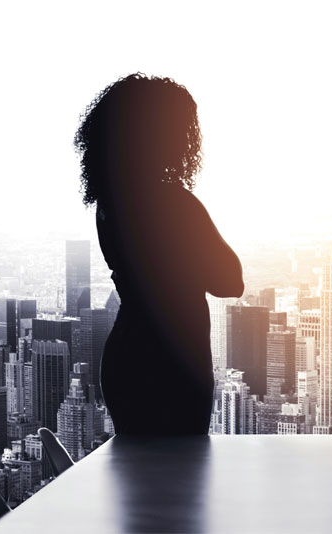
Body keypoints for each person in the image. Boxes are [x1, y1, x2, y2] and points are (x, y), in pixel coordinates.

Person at [74, 73, 244, 434]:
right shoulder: (175, 203)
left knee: (139, 478)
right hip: (175, 361)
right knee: (182, 476)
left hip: (127, 356)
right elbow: (231, 281)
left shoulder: (109, 204)